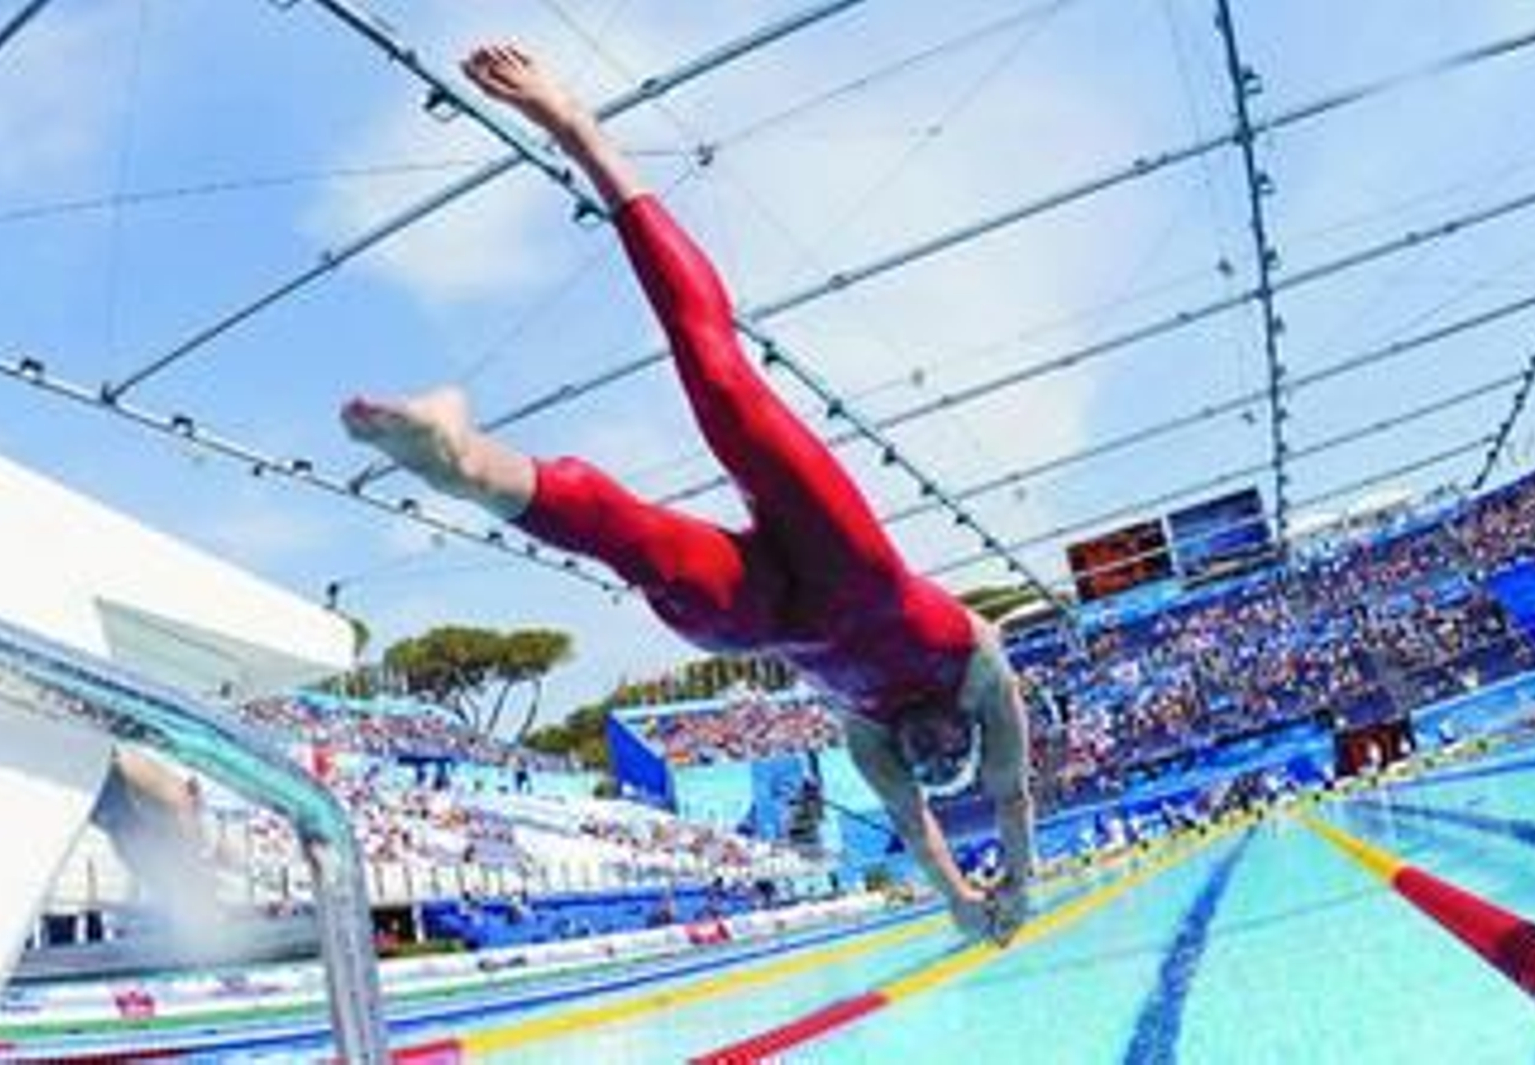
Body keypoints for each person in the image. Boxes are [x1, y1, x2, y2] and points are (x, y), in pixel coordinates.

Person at [343, 43, 1034, 943]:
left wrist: (959, 902)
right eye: (951, 754)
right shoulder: (981, 672)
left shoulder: (870, 738)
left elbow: (917, 825)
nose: (933, 752)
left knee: (629, 541)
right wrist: (1018, 884)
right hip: (850, 560)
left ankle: (462, 462)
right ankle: (580, 132)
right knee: (719, 372)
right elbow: (1012, 796)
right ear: (971, 731)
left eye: (927, 765)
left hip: (762, 615)